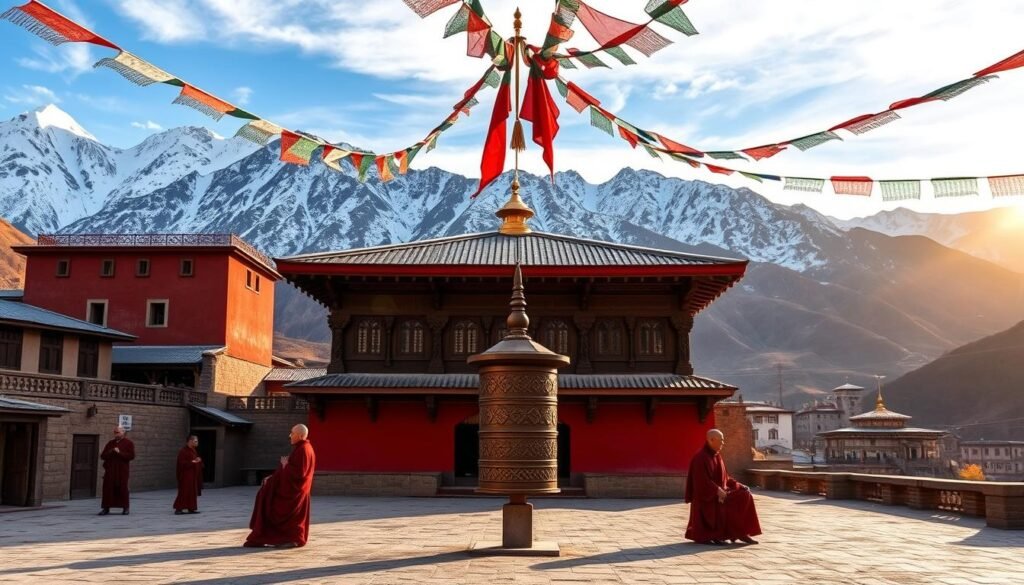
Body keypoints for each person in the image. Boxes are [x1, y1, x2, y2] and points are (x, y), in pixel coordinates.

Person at [684, 428, 762, 545]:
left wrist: (739, 485)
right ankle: (715, 535)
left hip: (720, 492)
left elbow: (725, 478)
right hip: (707, 497)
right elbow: (701, 482)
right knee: (732, 501)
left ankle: (742, 533)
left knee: (745, 495)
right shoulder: (700, 458)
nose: (723, 443)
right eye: (721, 440)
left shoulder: (717, 456)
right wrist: (717, 490)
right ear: (711, 440)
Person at [244, 424, 316, 548]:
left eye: (292, 433)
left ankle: (291, 539)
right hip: (295, 491)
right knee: (266, 495)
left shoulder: (304, 449)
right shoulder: (302, 448)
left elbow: (299, 474)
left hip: (294, 493)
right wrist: (273, 477)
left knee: (271, 503)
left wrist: (285, 465)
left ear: (300, 435)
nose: (290, 436)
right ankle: (274, 537)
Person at [99, 426, 135, 515]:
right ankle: (106, 508)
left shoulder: (129, 443)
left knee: (122, 488)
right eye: (115, 432)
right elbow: (103, 456)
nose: (116, 434)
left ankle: (125, 508)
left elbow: (131, 456)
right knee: (108, 488)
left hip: (122, 470)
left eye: (118, 432)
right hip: (110, 470)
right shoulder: (110, 443)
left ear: (123, 433)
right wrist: (111, 451)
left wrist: (120, 452)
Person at [173, 435, 203, 515]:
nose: (197, 443)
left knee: (192, 492)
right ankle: (178, 509)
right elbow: (181, 463)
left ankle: (191, 508)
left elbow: (194, 460)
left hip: (192, 475)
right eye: (195, 441)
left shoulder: (193, 450)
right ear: (190, 441)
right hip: (186, 476)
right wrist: (192, 462)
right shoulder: (183, 451)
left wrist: (198, 460)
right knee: (184, 491)